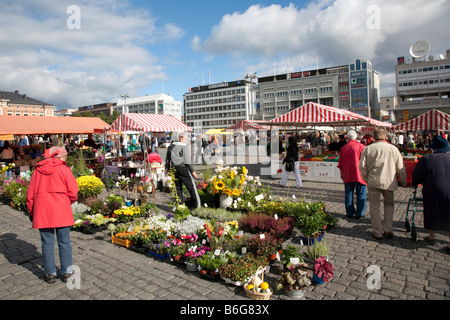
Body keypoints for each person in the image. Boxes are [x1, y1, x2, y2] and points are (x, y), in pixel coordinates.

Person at [26, 146, 79, 284]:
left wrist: (31, 210)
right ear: (61, 157)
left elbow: (30, 193)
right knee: (65, 242)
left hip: (43, 210)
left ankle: (50, 274)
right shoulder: (64, 169)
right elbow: (73, 191)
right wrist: (67, 201)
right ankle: (66, 272)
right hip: (61, 209)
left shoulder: (38, 169)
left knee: (47, 243)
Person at [359, 127, 407, 240]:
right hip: (389, 181)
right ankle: (388, 229)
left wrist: (366, 179)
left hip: (373, 181)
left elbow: (362, 167)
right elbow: (401, 168)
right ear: (385, 136)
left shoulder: (368, 149)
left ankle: (377, 231)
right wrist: (403, 181)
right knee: (389, 205)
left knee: (375, 206)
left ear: (374, 137)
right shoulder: (393, 149)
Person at [412, 136, 450, 254]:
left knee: (431, 211)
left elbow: (417, 176)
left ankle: (431, 237)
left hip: (433, 190)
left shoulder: (427, 159)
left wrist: (415, 183)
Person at [165, 132, 201, 209]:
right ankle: (196, 205)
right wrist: (193, 171)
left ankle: (180, 206)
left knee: (178, 188)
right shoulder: (184, 147)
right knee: (191, 187)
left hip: (174, 169)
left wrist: (167, 169)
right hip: (183, 168)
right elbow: (187, 160)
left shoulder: (170, 147)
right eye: (185, 139)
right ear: (180, 138)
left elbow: (167, 159)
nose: (186, 140)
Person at [338, 130, 366, 219]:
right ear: (356, 137)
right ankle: (360, 213)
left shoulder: (344, 148)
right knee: (361, 194)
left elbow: (340, 164)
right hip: (360, 173)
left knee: (348, 194)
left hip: (347, 173)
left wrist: (342, 174)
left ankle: (349, 212)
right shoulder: (361, 147)